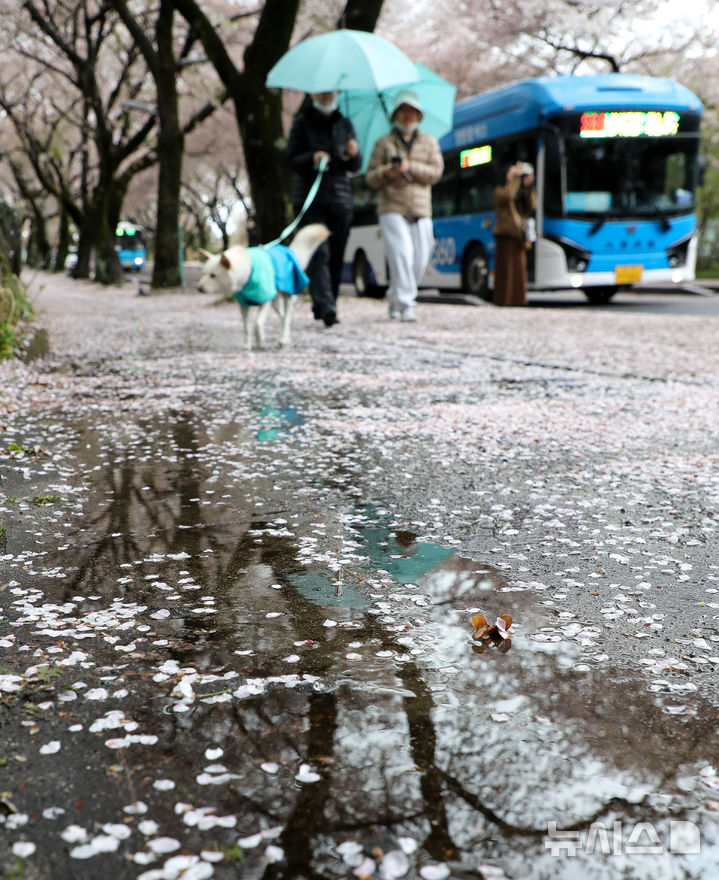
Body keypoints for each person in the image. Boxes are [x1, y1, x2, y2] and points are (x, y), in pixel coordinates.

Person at [365, 90, 443, 322]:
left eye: (411, 111)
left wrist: (411, 167)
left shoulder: (430, 142)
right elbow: (370, 177)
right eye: (403, 111)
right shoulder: (384, 143)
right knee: (401, 255)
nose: (407, 116)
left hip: (421, 208)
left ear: (418, 114)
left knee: (420, 258)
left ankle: (395, 295)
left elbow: (436, 172)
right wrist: (387, 171)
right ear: (395, 114)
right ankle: (406, 304)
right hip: (392, 206)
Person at [287, 91, 362, 327]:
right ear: (313, 93)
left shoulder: (345, 122)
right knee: (319, 253)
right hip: (310, 200)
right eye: (322, 91)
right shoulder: (302, 121)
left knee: (337, 255)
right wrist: (313, 157)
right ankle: (327, 307)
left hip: (340, 200)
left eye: (332, 91)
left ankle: (327, 303)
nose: (328, 95)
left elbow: (355, 167)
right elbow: (291, 159)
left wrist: (354, 154)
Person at [492, 162, 536, 307]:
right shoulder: (499, 191)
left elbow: (532, 206)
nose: (515, 175)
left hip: (518, 235)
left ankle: (519, 299)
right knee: (507, 270)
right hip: (505, 234)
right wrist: (516, 178)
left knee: (519, 270)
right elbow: (508, 195)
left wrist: (528, 186)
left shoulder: (520, 190)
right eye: (511, 172)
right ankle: (504, 300)